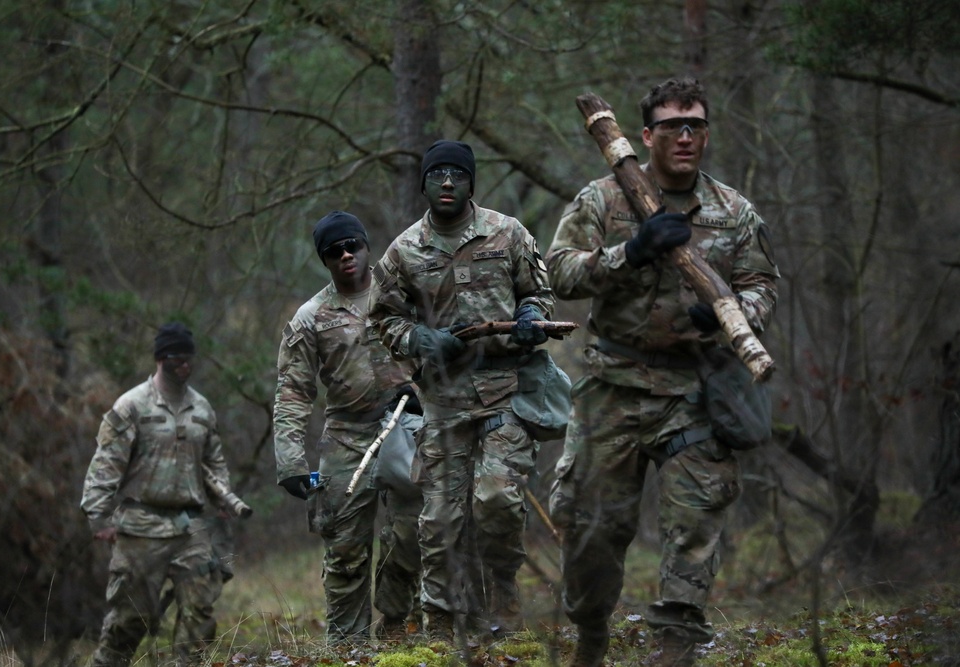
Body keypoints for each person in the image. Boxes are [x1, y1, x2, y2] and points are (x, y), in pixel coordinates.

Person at [546, 77, 780, 667]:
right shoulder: (603, 198)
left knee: (695, 524)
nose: (685, 136)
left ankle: (675, 647)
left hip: (696, 390)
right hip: (613, 386)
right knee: (592, 527)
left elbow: (763, 285)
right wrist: (634, 250)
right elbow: (560, 275)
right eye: (673, 125)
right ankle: (591, 633)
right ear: (645, 135)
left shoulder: (733, 210)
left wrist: (729, 313)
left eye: (696, 125)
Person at [369, 140, 556, 645]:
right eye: (437, 174)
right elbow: (383, 318)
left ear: (472, 183)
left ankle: (501, 591)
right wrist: (418, 338)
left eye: (457, 174)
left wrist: (530, 318)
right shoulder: (404, 250)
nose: (447, 182)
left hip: (503, 390)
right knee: (441, 520)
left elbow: (538, 291)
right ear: (424, 184)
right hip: (444, 399)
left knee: (496, 499)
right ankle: (445, 625)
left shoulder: (507, 232)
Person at [273, 211, 423, 644]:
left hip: (407, 429)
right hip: (346, 437)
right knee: (344, 550)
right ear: (324, 260)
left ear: (365, 246)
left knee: (410, 537)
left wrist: (423, 393)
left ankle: (398, 627)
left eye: (351, 246)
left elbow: (443, 350)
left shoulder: (403, 296)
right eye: (333, 252)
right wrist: (290, 462)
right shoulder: (311, 317)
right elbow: (293, 392)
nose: (345, 257)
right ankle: (347, 648)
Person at [81, 322, 233, 667]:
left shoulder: (202, 409)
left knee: (200, 616)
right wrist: (98, 516)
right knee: (129, 620)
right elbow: (106, 464)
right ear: (161, 359)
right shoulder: (132, 406)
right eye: (178, 359)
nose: (185, 366)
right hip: (140, 526)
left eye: (189, 359)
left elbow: (214, 461)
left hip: (191, 526)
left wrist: (222, 497)